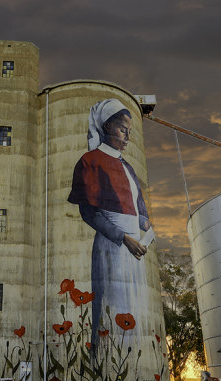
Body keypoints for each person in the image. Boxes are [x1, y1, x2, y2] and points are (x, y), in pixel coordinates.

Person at [67, 98, 152, 353]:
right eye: (122, 129)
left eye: (130, 131)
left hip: (136, 247)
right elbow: (89, 213)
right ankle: (104, 359)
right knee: (111, 307)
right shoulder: (90, 161)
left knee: (135, 308)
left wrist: (144, 223)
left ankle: (134, 359)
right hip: (112, 246)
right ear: (106, 127)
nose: (128, 136)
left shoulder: (128, 167)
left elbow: (137, 208)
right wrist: (124, 238)